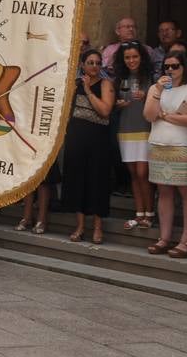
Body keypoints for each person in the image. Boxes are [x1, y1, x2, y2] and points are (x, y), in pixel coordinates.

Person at [143, 54, 187, 259]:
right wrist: (157, 91)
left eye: (175, 66)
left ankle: (186, 241)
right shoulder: (154, 88)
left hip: (184, 146)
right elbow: (149, 116)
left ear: (183, 67)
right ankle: (164, 238)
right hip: (158, 145)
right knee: (164, 191)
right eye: (167, 66)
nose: (170, 70)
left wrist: (165, 116)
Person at [62, 49, 115, 244]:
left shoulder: (106, 83)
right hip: (76, 137)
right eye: (90, 62)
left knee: (97, 181)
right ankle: (80, 226)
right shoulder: (75, 85)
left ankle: (98, 228)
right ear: (82, 65)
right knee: (77, 180)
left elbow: (105, 110)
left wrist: (89, 91)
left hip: (98, 139)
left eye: (97, 63)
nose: (94, 66)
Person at [112, 41, 156, 230]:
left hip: (146, 129)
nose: (131, 60)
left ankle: (150, 214)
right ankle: (139, 214)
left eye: (135, 56)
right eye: (127, 57)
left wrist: (147, 97)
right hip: (126, 129)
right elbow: (114, 103)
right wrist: (118, 104)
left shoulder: (151, 78)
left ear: (142, 57)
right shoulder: (120, 78)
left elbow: (162, 103)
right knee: (133, 174)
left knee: (143, 173)